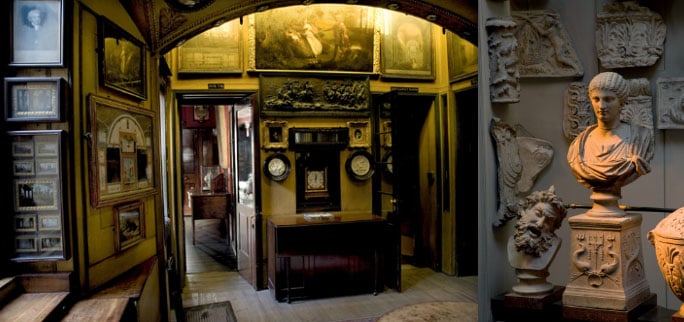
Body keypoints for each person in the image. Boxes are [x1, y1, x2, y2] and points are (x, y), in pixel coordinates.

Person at [567, 72, 653, 216]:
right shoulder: (579, 145)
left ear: (622, 102)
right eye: (596, 99)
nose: (601, 106)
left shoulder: (640, 139)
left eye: (608, 99)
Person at [507, 186, 567, 294]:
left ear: (554, 228)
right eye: (538, 214)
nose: (539, 224)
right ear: (526, 210)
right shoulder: (511, 242)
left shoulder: (555, 243)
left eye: (549, 221)